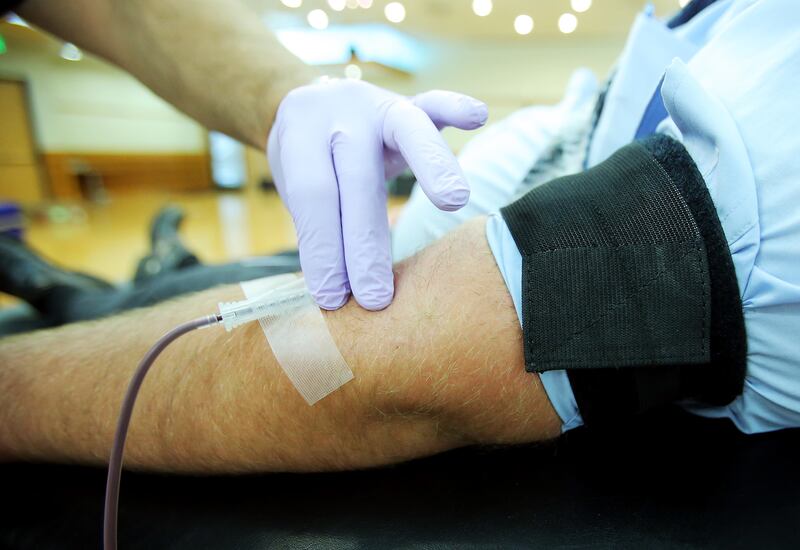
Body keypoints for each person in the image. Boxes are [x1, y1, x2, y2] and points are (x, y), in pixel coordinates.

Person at [1, 0, 798, 472]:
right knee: (185, 290)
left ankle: (77, 282)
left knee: (165, 303)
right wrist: (285, 98)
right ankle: (104, 278)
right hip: (424, 257)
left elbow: (383, 365)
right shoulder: (711, 29)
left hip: (431, 287)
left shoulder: (771, 112)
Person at [3, 0, 490, 311]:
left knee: (203, 289)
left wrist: (279, 99)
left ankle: (137, 267)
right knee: (200, 295)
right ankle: (130, 270)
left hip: (397, 247)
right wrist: (286, 101)